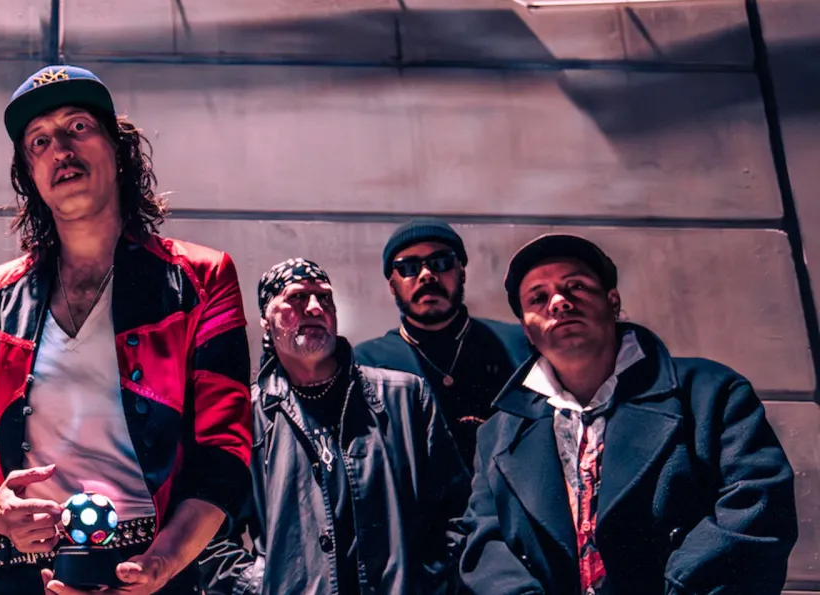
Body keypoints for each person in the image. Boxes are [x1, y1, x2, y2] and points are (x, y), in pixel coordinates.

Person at [0, 65, 253, 595]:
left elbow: (226, 450)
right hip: (24, 572)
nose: (60, 149)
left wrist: (163, 563)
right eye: (39, 141)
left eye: (78, 127)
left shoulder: (201, 279)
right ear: (30, 176)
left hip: (154, 570)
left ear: (119, 151)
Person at [459, 233, 798, 595]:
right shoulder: (498, 433)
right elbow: (485, 541)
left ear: (612, 301)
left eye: (576, 286)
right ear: (527, 330)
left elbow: (756, 507)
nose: (558, 302)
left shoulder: (709, 392)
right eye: (538, 298)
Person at [200, 258, 470, 595]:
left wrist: (427, 579)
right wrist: (264, 585)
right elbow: (207, 538)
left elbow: (459, 512)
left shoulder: (405, 397)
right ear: (266, 322)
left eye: (324, 297)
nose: (315, 307)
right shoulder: (246, 417)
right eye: (297, 297)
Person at [355, 221, 530, 470]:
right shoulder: (367, 364)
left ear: (462, 273)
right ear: (393, 286)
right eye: (409, 267)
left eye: (441, 262)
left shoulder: (518, 343)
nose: (427, 274)